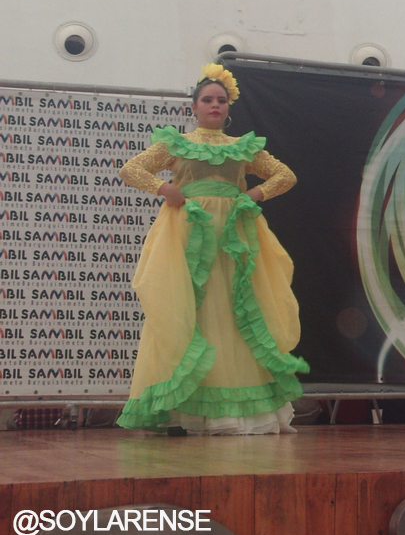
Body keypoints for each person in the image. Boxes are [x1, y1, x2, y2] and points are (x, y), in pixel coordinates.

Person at [116, 63, 308, 434]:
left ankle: (238, 410)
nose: (215, 105)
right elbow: (131, 170)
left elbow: (285, 175)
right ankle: (186, 406)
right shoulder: (177, 143)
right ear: (194, 107)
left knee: (236, 310)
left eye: (220, 100)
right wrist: (164, 189)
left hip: (234, 235)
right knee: (193, 307)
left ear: (228, 107)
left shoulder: (241, 147)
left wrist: (254, 193)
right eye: (207, 100)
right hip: (189, 234)